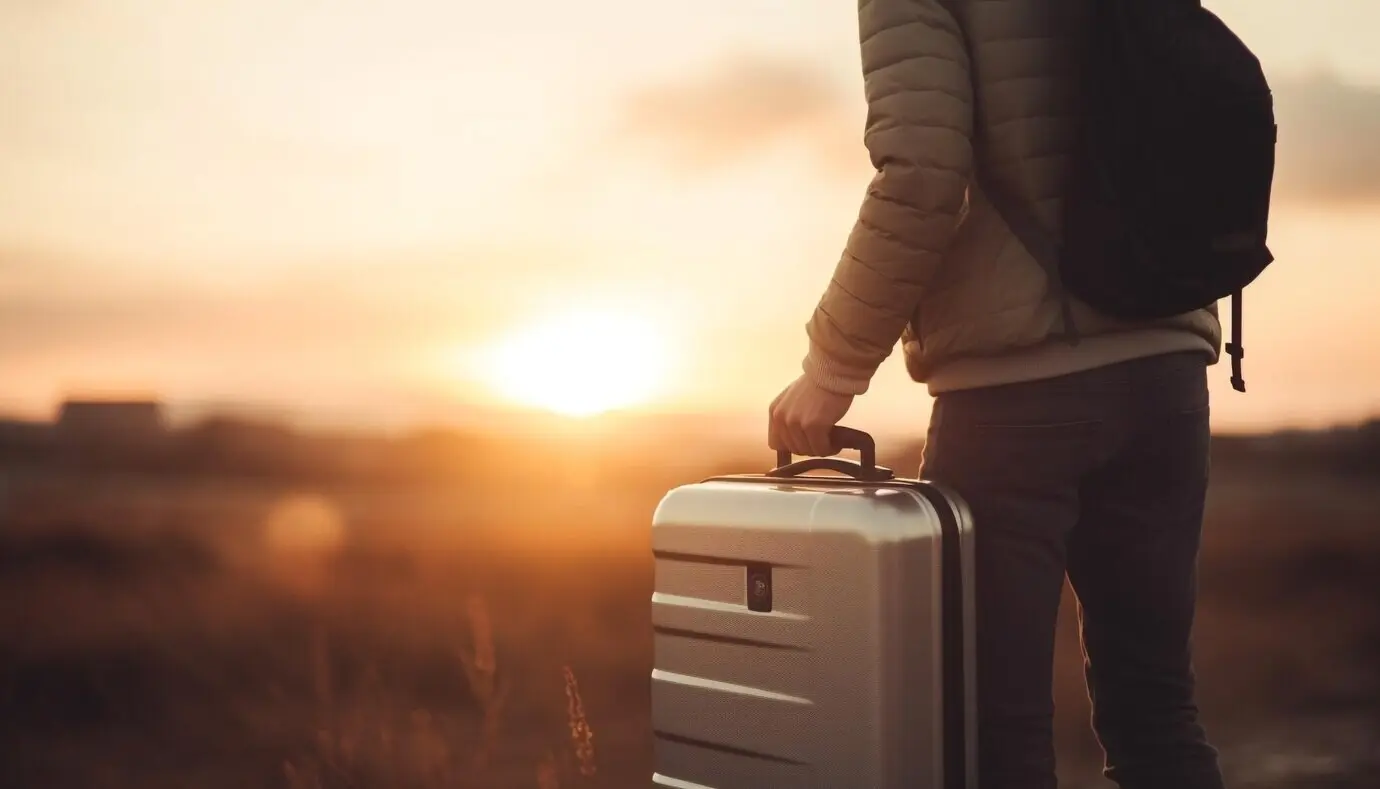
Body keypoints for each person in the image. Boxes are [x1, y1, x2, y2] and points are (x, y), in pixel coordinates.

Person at [766, 0, 1228, 787]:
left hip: (1014, 401)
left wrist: (833, 364)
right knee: (1157, 713)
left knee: (991, 730)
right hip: (1164, 374)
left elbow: (923, 173)